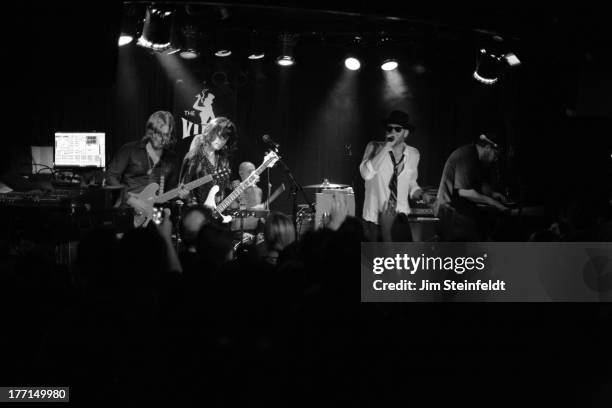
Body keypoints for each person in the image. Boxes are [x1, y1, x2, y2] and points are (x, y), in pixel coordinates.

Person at [359, 110, 431, 241]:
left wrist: (421, 194)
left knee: (401, 260)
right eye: (389, 128)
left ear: (406, 133)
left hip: (401, 219)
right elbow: (366, 174)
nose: (392, 132)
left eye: (397, 129)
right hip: (375, 221)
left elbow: (411, 184)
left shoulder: (414, 154)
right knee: (375, 260)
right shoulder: (374, 147)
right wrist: (386, 148)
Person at [434, 133, 511, 241]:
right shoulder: (467, 155)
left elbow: (477, 183)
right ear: (488, 148)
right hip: (451, 214)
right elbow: (465, 192)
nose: (495, 160)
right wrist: (493, 202)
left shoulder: (474, 157)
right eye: (495, 155)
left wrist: (493, 194)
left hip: (458, 214)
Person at [106, 110, 180, 196]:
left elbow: (170, 190)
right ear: (150, 131)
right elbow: (110, 176)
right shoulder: (129, 150)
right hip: (129, 207)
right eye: (159, 133)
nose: (162, 139)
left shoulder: (171, 158)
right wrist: (128, 198)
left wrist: (180, 194)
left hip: (155, 207)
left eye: (166, 135)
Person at [179, 117, 236, 207]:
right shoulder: (194, 157)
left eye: (225, 138)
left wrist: (233, 187)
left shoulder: (223, 159)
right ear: (210, 132)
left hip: (219, 214)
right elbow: (183, 190)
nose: (221, 141)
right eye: (218, 135)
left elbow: (224, 188)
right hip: (196, 214)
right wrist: (194, 205)